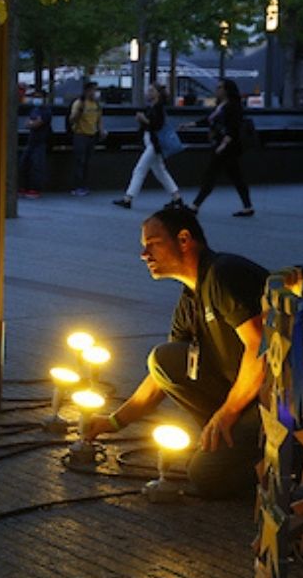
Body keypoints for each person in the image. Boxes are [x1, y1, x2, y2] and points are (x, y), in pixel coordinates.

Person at [85, 208, 268, 498]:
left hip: (278, 402)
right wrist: (114, 421)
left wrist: (227, 413)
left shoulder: (224, 275)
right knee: (164, 358)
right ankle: (232, 443)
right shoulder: (189, 300)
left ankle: (282, 464)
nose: (144, 254)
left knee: (205, 475)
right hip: (242, 401)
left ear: (184, 239)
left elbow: (261, 347)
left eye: (153, 243)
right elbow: (161, 376)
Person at [181, 78, 254, 217]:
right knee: (235, 176)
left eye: (220, 87)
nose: (217, 90)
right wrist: (192, 124)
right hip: (222, 145)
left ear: (227, 90)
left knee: (211, 174)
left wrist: (224, 144)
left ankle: (195, 205)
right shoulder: (221, 105)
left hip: (227, 147)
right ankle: (247, 206)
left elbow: (234, 127)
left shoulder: (233, 106)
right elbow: (210, 120)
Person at [113, 83, 183, 210]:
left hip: (154, 144)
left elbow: (156, 125)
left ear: (157, 94)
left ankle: (128, 198)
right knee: (160, 171)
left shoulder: (157, 108)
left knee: (140, 169)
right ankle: (176, 197)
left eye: (151, 90)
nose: (148, 92)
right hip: (154, 144)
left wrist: (143, 119)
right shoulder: (156, 107)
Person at [69, 81, 105, 196]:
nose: (95, 92)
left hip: (91, 135)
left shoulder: (96, 105)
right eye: (93, 90)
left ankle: (84, 185)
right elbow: (72, 119)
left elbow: (99, 119)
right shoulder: (79, 103)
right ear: (87, 91)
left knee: (87, 162)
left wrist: (101, 130)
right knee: (80, 161)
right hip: (80, 135)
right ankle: (77, 186)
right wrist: (79, 112)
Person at [18, 94, 52, 198]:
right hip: (31, 141)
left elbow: (36, 123)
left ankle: (35, 189)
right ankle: (24, 187)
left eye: (38, 97)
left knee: (37, 166)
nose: (36, 99)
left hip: (40, 142)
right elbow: (28, 123)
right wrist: (32, 123)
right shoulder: (35, 110)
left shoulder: (46, 111)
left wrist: (32, 123)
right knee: (24, 164)